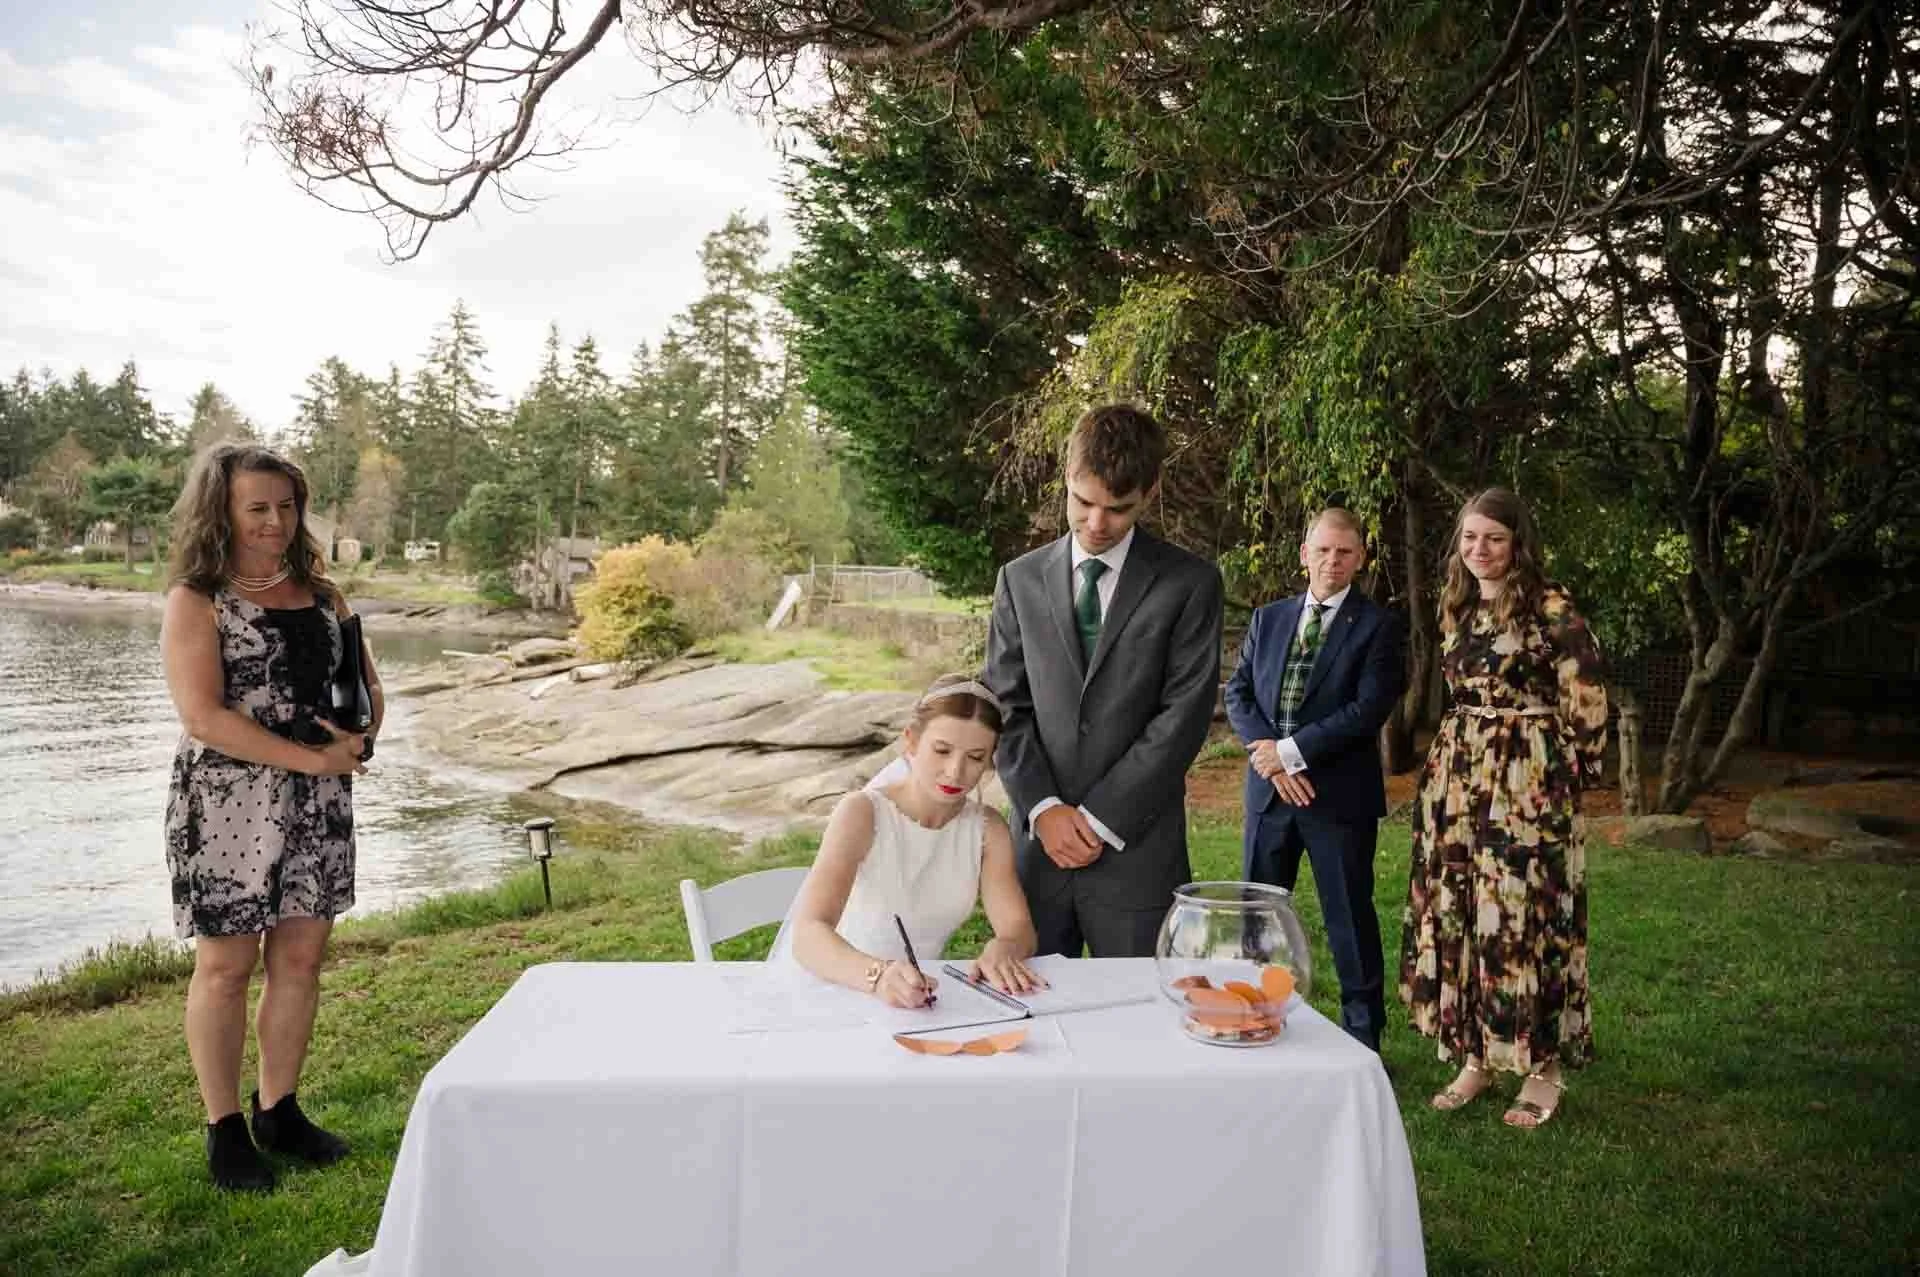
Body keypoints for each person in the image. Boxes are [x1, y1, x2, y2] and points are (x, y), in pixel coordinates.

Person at [160, 443, 381, 1191]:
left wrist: (362, 734)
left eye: (286, 506)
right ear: (221, 511)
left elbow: (366, 685)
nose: (275, 521)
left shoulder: (324, 593)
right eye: (257, 507)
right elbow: (203, 716)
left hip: (317, 806)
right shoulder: (198, 598)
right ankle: (224, 1130)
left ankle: (278, 1109)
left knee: (300, 960)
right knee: (226, 968)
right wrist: (315, 759)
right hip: (227, 804)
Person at [1398, 487, 1608, 1129]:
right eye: (1469, 537)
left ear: (1517, 542)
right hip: (1460, 779)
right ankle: (1476, 1058)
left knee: (1522, 919)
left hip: (1528, 783)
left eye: (1493, 537)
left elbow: (1589, 696)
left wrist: (1561, 775)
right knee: (1461, 913)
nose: (1479, 550)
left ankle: (1543, 1067)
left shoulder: (1551, 606)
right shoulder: (1456, 605)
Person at [984, 404, 1225, 958]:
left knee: (1139, 1024)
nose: (1096, 524)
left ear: (1150, 492)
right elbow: (1006, 707)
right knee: (1034, 1026)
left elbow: (1182, 717)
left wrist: (1098, 818)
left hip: (1138, 854)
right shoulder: (1018, 581)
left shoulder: (1190, 584)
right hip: (1037, 855)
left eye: (1117, 510)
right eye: (1083, 502)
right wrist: (1044, 809)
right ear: (1065, 478)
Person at [1224, 508, 1407, 1052]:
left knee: (1348, 917)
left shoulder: (1378, 627)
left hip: (1337, 799)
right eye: (1323, 550)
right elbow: (1239, 693)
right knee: (1256, 914)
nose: (1332, 561)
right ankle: (1252, 1014)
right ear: (1304, 554)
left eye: (1345, 552)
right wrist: (1270, 761)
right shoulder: (1269, 618)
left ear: (1360, 559)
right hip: (1270, 796)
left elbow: (1368, 708)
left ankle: (1363, 1041)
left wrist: (1290, 753)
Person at [784, 674, 1044, 1006]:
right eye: (942, 750)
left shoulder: (987, 830)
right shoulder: (862, 813)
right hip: (832, 988)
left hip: (916, 1000)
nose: (955, 771)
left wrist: (1005, 947)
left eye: (976, 757)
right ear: (911, 741)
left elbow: (1018, 927)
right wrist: (878, 976)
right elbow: (807, 934)